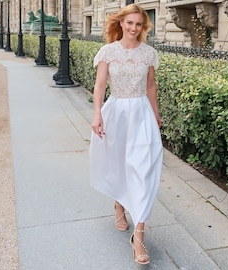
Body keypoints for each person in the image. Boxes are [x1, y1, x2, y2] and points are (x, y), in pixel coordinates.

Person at [89, 3, 163, 265]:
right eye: (129, 23)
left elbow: (151, 85)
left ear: (143, 27)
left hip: (141, 113)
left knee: (143, 169)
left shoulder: (149, 54)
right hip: (116, 112)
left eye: (139, 24)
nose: (134, 28)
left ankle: (139, 234)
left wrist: (155, 114)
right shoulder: (108, 52)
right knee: (119, 163)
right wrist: (97, 114)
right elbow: (99, 86)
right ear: (121, 23)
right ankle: (119, 204)